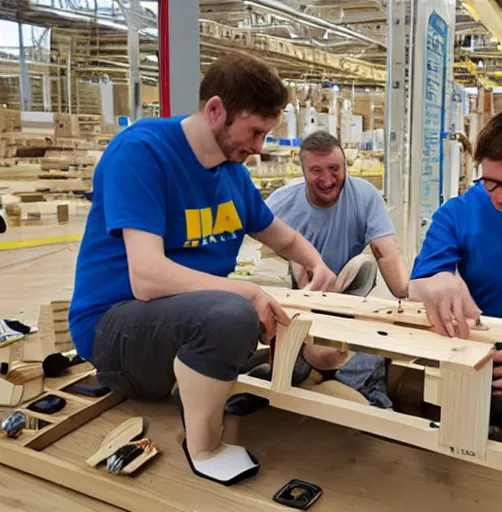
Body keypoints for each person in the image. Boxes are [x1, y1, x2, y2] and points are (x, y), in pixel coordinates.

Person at [68, 52, 337, 486]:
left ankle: (203, 382)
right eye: (254, 132)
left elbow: (281, 236)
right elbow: (148, 278)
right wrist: (245, 292)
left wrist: (316, 264)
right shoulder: (142, 153)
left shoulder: (231, 174)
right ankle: (205, 447)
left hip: (175, 322)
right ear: (216, 111)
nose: (259, 147)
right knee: (233, 313)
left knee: (268, 329)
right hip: (114, 326)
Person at [408, 108, 502, 430]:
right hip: (483, 360)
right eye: (491, 183)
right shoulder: (458, 213)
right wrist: (439, 281)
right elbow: (416, 287)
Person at [266, 130, 408, 299]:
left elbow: (386, 252)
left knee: (365, 264)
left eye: (334, 168)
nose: (327, 180)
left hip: (346, 286)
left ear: (345, 167)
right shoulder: (279, 204)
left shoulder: (365, 196)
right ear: (303, 172)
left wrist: (408, 294)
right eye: (316, 170)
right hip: (298, 290)